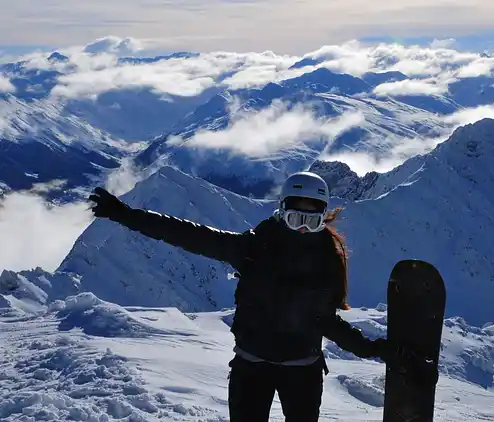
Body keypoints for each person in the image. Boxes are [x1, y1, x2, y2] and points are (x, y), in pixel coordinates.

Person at [88, 171, 395, 422]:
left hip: (302, 371)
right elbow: (188, 234)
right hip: (253, 368)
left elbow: (326, 320)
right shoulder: (254, 248)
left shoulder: (327, 260)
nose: (302, 229)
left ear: (323, 218)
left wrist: (370, 348)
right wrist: (124, 215)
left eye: (311, 221)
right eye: (295, 219)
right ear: (281, 211)